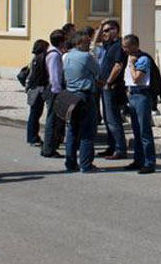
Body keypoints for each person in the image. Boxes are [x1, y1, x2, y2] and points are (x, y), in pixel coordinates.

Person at [62, 30, 101, 173]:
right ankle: (86, 164)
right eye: (86, 42)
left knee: (72, 130)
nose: (89, 44)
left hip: (70, 94)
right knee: (87, 131)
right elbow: (98, 71)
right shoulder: (86, 57)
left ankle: (70, 164)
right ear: (79, 43)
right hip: (84, 94)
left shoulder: (67, 56)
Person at [122, 34, 156, 174]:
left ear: (134, 45)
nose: (124, 49)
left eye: (126, 46)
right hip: (133, 95)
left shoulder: (142, 59)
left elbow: (137, 78)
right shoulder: (131, 58)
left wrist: (131, 64)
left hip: (142, 95)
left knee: (144, 131)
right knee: (136, 130)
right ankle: (138, 159)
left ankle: (149, 162)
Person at [99, 20, 127, 160]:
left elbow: (118, 66)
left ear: (115, 30)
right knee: (107, 118)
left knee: (113, 119)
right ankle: (111, 146)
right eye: (104, 31)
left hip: (112, 86)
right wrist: (100, 27)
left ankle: (120, 149)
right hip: (105, 85)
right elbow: (96, 41)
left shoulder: (118, 46)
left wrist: (109, 82)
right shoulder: (109, 44)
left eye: (108, 30)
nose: (105, 33)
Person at [41, 29, 66, 158]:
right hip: (53, 90)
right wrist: (58, 92)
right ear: (61, 41)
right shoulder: (54, 55)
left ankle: (48, 146)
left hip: (52, 89)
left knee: (54, 119)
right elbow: (54, 75)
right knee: (52, 120)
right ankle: (49, 148)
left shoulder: (52, 52)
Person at [25, 39, 49, 147]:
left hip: (32, 88)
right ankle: (33, 138)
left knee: (33, 114)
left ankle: (32, 137)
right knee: (35, 114)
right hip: (38, 88)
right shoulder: (42, 58)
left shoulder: (34, 58)